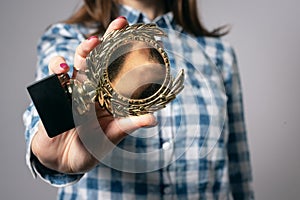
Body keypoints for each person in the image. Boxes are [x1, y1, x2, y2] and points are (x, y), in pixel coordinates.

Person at [23, 0, 254, 199]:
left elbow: (238, 167)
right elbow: (40, 111)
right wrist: (50, 152)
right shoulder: (67, 40)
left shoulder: (218, 54)